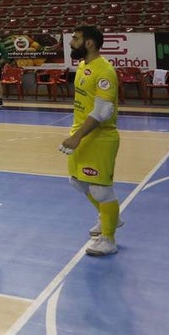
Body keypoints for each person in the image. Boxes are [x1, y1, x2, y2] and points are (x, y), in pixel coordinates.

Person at [60, 25, 122, 257]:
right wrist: (75, 133)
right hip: (82, 133)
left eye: (75, 39)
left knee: (101, 191)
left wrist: (77, 137)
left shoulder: (104, 71)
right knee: (77, 182)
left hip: (100, 138)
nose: (71, 43)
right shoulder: (83, 65)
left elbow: (103, 111)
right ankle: (110, 217)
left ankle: (108, 239)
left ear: (89, 43)